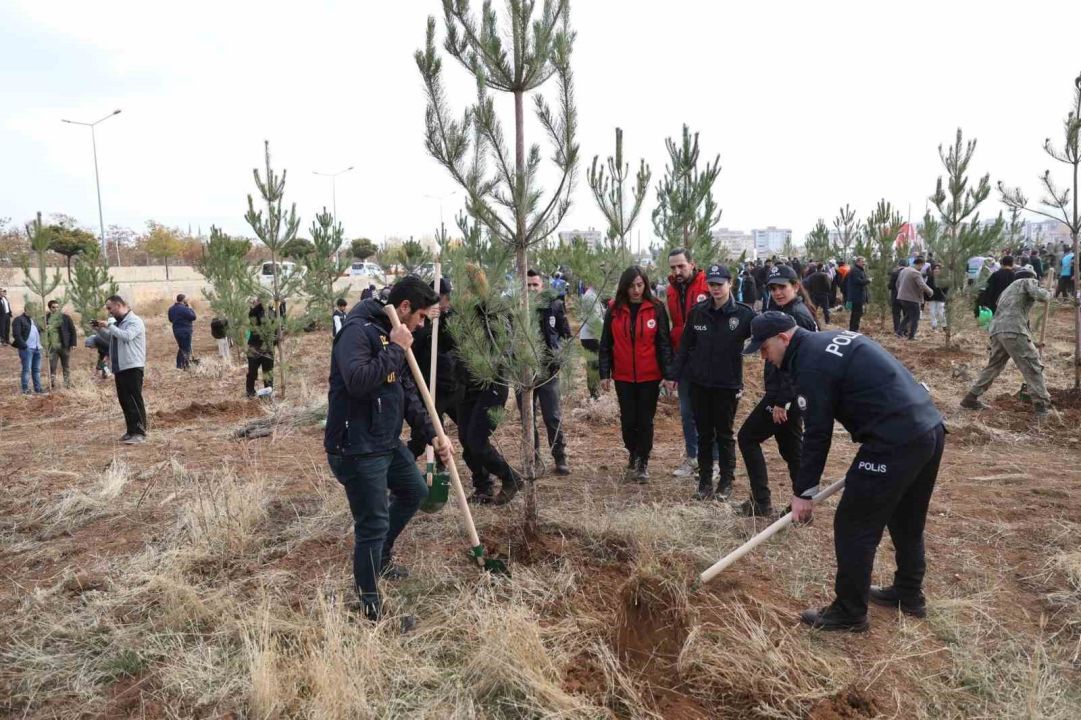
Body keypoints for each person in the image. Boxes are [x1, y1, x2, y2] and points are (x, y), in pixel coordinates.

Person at [745, 312, 945, 632]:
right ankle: (909, 592)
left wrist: (803, 492)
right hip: (928, 428)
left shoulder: (810, 364)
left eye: (765, 349)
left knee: (853, 523)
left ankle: (849, 611)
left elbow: (817, 433)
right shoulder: (827, 340)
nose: (764, 357)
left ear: (784, 338)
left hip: (894, 439)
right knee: (906, 517)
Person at [324, 276, 451, 627]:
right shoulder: (357, 331)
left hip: (384, 441)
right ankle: (370, 610)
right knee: (372, 524)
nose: (422, 325)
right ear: (405, 308)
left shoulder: (393, 333)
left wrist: (432, 435)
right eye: (422, 317)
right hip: (356, 446)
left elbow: (408, 392)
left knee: (414, 490)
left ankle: (380, 558)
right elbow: (358, 380)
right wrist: (395, 348)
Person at [668, 264, 756, 500]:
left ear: (730, 284)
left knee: (724, 434)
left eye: (720, 284)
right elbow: (686, 347)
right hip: (700, 384)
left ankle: (726, 481)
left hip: (727, 385)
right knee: (704, 434)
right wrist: (673, 375)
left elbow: (765, 334)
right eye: (711, 284)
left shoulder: (744, 315)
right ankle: (705, 482)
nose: (715, 288)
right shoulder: (698, 312)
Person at [736, 265, 818, 517]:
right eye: (772, 288)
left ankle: (762, 502)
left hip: (785, 396)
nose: (777, 292)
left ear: (796, 285)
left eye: (782, 287)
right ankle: (802, 507)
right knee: (792, 450)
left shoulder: (798, 316)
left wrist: (783, 401)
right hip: (783, 394)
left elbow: (800, 365)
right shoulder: (782, 311)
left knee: (747, 437)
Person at [598, 266, 673, 482]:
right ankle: (632, 452)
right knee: (628, 420)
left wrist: (668, 374)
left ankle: (643, 461)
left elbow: (664, 344)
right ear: (625, 287)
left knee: (645, 420)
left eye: (640, 285)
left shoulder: (656, 308)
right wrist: (605, 373)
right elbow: (606, 344)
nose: (636, 290)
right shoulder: (614, 309)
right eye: (631, 286)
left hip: (649, 376)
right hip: (623, 376)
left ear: (646, 285)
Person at [457, 271, 523, 505]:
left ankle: (510, 477)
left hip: (492, 382)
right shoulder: (459, 312)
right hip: (469, 385)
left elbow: (505, 345)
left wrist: (490, 365)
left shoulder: (493, 309)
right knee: (465, 439)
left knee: (476, 439)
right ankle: (483, 488)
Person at [962, 266, 1052, 417]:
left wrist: (1032, 342)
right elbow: (1041, 296)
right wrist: (1048, 292)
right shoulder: (1026, 281)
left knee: (993, 366)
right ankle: (1041, 406)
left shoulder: (1007, 291)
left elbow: (1014, 316)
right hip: (1012, 331)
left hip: (998, 331)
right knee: (1032, 367)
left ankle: (971, 397)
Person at [665, 247, 715, 479]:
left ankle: (714, 460)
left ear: (692, 264)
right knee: (687, 413)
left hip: (707, 360)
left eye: (681, 266)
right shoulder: (671, 292)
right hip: (683, 360)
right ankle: (693, 457)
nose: (677, 271)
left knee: (708, 412)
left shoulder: (707, 286)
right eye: (673, 267)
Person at [518, 269, 572, 475]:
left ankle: (560, 456)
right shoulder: (517, 308)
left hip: (548, 369)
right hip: (523, 370)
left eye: (535, 285)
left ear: (542, 285)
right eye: (528, 285)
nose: (532, 289)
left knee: (552, 416)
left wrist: (560, 357)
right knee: (527, 417)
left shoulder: (555, 305)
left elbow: (565, 334)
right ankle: (533, 458)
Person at [408, 278, 460, 458]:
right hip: (429, 387)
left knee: (469, 433)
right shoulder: (420, 319)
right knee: (423, 436)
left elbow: (454, 343)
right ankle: (395, 475)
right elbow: (412, 347)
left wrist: (443, 319)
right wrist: (428, 321)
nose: (448, 301)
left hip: (451, 386)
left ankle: (482, 479)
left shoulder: (452, 317)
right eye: (444, 297)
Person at [92, 296, 148, 444]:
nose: (109, 312)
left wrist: (109, 325)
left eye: (110, 308)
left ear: (118, 305)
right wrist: (100, 329)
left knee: (134, 400)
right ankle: (131, 431)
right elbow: (113, 337)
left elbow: (127, 336)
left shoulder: (134, 321)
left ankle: (140, 432)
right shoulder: (119, 323)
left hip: (132, 366)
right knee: (125, 401)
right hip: (120, 367)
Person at [896, 257, 933, 340]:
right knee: (915, 318)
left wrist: (900, 293)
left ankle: (899, 332)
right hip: (912, 298)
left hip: (902, 297)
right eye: (922, 266)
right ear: (920, 264)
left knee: (908, 316)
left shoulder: (904, 270)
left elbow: (897, 283)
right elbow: (922, 285)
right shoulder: (916, 273)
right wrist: (930, 292)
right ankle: (911, 336)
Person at [578, 283, 604, 400]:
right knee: (593, 365)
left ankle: (595, 393)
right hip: (590, 336)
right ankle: (594, 395)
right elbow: (593, 320)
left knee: (595, 365)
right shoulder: (590, 297)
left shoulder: (594, 295)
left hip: (592, 335)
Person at [11, 305, 45, 394]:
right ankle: (25, 389)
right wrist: (25, 346)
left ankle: (38, 389)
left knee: (36, 370)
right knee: (27, 369)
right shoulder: (19, 319)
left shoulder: (35, 320)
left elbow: (41, 331)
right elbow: (16, 334)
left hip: (37, 348)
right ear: (26, 310)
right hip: (27, 349)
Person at [45, 300, 78, 389]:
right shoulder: (45, 318)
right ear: (49, 308)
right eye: (53, 307)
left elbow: (72, 331)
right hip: (52, 347)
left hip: (65, 346)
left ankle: (67, 384)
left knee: (66, 366)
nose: (56, 309)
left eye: (57, 307)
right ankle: (51, 384)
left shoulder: (66, 317)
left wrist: (73, 343)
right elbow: (41, 331)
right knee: (52, 366)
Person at [246, 297, 274, 398]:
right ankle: (250, 392)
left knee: (268, 372)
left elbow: (275, 325)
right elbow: (253, 314)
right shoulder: (253, 313)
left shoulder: (271, 311)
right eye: (260, 301)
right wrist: (261, 303)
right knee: (252, 372)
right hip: (254, 347)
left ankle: (268, 392)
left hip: (267, 347)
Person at [166, 294, 196, 370]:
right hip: (185, 330)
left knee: (182, 347)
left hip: (176, 330)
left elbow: (170, 319)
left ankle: (181, 364)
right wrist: (191, 308)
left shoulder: (171, 309)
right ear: (183, 300)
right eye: (186, 299)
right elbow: (193, 317)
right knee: (186, 348)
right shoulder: (185, 309)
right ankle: (183, 365)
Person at [845, 257, 871, 332]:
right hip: (856, 296)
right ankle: (854, 329)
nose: (864, 263)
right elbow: (858, 281)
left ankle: (853, 328)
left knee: (856, 313)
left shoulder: (858, 270)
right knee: (857, 313)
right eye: (862, 262)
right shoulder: (856, 270)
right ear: (858, 262)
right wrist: (868, 280)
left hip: (857, 296)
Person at [926, 263, 948, 331]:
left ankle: (944, 325)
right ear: (933, 270)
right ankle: (934, 325)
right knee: (932, 312)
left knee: (941, 312)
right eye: (935, 269)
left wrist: (945, 296)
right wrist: (926, 298)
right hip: (932, 297)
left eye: (938, 269)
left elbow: (946, 288)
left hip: (941, 298)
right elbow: (926, 287)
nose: (936, 270)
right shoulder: (930, 278)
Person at [887, 260, 906, 335]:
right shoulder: (909, 273)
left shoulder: (895, 273)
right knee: (906, 314)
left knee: (896, 314)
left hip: (896, 296)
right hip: (906, 297)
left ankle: (897, 330)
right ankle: (905, 330)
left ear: (898, 265)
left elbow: (890, 286)